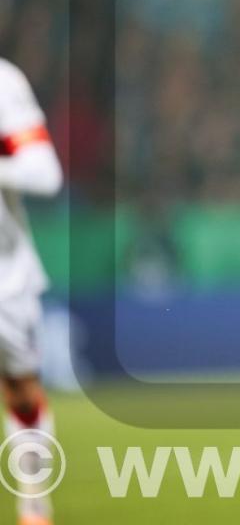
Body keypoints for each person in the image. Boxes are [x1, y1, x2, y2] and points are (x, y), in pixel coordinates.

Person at [0, 58, 63, 525]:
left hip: (4, 274)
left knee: (21, 391)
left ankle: (34, 506)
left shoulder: (3, 82)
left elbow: (44, 173)